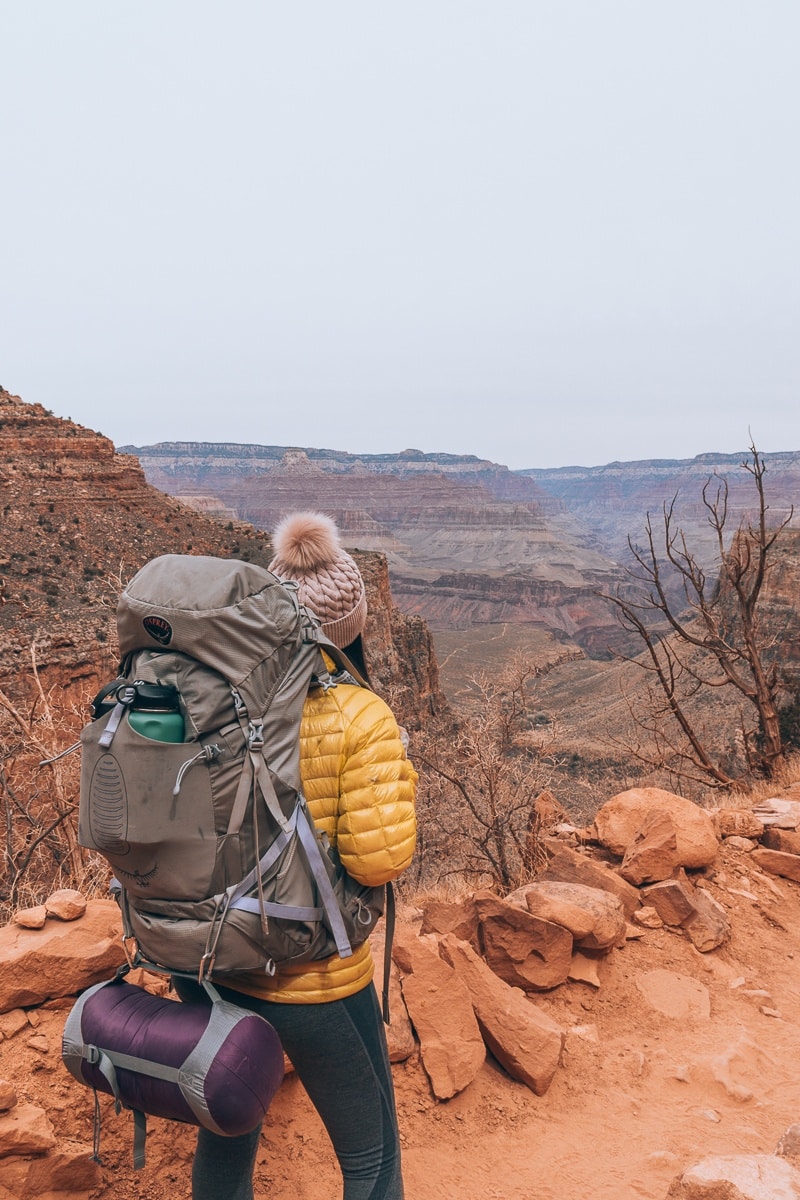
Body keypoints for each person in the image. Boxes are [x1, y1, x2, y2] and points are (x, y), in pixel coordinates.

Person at [175, 511, 418, 1200]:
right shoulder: (359, 714)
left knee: (228, 1132)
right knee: (372, 1158)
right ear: (351, 627)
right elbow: (379, 861)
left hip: (211, 962)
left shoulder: (214, 701)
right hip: (310, 975)